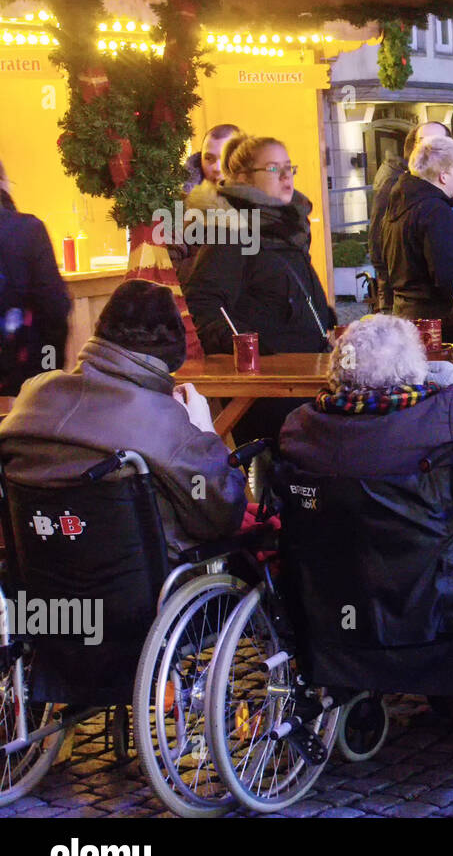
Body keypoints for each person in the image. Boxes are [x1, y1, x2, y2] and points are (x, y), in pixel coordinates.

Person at [0, 279, 247, 558]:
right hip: (149, 589)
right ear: (170, 359)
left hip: (41, 582)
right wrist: (206, 432)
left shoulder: (33, 395)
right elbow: (225, 513)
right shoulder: (165, 422)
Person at [278, 313, 453, 546]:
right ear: (414, 368)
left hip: (334, 571)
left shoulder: (298, 427)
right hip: (441, 570)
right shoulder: (445, 414)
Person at [184, 134, 335, 356]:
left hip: (307, 371)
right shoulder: (232, 231)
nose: (286, 176)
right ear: (244, 178)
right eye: (273, 169)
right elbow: (204, 306)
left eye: (288, 167)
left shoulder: (289, 225)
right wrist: (253, 354)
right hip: (271, 381)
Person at [382, 135, 453, 321]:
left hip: (404, 311)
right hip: (434, 318)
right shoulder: (435, 210)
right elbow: (448, 275)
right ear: (443, 176)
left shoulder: (398, 204)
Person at [0, 161, 70, 394]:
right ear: (4, 185)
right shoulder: (28, 230)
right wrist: (50, 371)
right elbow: (54, 309)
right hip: (22, 379)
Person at [367, 122, 446, 311]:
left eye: (440, 142)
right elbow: (378, 248)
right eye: (425, 141)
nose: (432, 149)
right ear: (413, 147)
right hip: (411, 304)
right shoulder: (395, 188)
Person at [178, 123, 241, 287]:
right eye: (209, 158)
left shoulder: (266, 202)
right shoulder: (182, 205)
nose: (217, 168)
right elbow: (171, 268)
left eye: (227, 157)